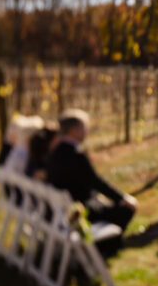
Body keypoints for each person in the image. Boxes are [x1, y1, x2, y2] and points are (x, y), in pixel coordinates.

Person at [46, 109, 138, 256]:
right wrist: (123, 198)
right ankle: (106, 247)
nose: (87, 131)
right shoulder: (77, 155)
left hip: (62, 211)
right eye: (84, 127)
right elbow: (96, 181)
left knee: (107, 204)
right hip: (80, 212)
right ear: (74, 130)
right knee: (127, 209)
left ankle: (107, 245)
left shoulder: (54, 152)